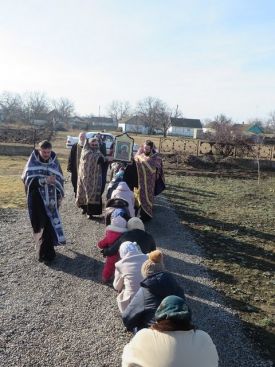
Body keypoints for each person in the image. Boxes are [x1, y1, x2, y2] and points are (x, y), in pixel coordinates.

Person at [122, 295, 219, 367]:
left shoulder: (143, 336)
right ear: (187, 318)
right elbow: (214, 362)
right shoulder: (204, 338)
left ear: (159, 317)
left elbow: (126, 362)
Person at [22, 140, 66, 263]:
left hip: (51, 200)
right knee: (39, 225)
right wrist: (44, 180)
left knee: (49, 225)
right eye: (44, 152)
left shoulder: (54, 162)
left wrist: (59, 194)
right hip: (37, 200)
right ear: (39, 150)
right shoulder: (33, 162)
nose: (46, 154)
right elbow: (28, 180)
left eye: (48, 151)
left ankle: (49, 253)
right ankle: (42, 252)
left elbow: (60, 178)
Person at [122, 250, 185, 332]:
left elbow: (127, 316)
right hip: (180, 328)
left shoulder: (145, 291)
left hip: (156, 331)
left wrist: (130, 326)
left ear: (145, 274)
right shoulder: (176, 286)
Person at [124, 140, 165, 221]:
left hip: (150, 182)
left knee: (147, 199)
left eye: (148, 149)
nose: (146, 150)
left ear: (151, 148)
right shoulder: (139, 156)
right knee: (137, 197)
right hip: (140, 181)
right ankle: (136, 215)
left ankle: (146, 216)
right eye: (145, 148)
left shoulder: (156, 158)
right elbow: (134, 164)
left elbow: (158, 169)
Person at [113, 241, 148, 313]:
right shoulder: (147, 257)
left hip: (132, 302)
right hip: (149, 297)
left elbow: (117, 287)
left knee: (122, 285)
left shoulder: (120, 264)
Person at [76, 138, 105, 219]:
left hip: (95, 177)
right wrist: (104, 158)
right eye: (93, 145)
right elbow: (97, 158)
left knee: (91, 193)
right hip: (86, 177)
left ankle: (89, 211)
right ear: (89, 144)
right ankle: (88, 212)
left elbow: (101, 158)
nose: (94, 146)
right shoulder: (86, 151)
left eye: (96, 145)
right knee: (87, 193)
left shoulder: (97, 151)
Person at [97, 216, 128, 283]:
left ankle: (105, 278)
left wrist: (99, 244)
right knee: (122, 268)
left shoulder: (109, 234)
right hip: (122, 255)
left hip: (111, 255)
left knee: (108, 267)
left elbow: (102, 243)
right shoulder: (125, 234)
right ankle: (121, 281)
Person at [67, 131, 86, 197]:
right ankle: (76, 192)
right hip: (75, 168)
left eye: (83, 136)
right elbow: (71, 156)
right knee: (74, 181)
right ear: (79, 137)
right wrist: (69, 167)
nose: (82, 138)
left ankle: (82, 194)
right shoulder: (75, 145)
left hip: (85, 169)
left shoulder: (87, 146)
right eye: (81, 136)